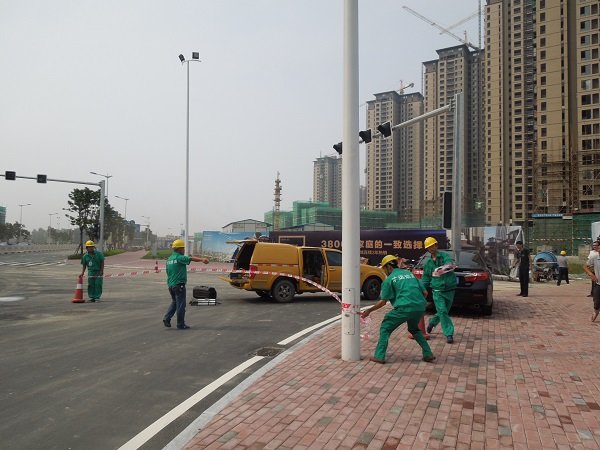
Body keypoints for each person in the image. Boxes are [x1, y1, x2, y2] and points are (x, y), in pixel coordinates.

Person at [361, 255, 435, 364]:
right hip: (420, 307)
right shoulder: (410, 274)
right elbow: (425, 292)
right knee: (414, 329)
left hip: (403, 308)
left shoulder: (389, 280)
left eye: (384, 269)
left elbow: (383, 302)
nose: (384, 272)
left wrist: (368, 311)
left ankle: (379, 356)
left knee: (385, 328)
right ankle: (428, 353)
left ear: (388, 267)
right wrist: (416, 303)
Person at [163, 239, 209, 329]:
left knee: (175, 302)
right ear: (180, 249)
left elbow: (167, 272)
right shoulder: (179, 257)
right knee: (181, 305)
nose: (184, 250)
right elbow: (190, 258)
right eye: (183, 248)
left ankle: (167, 318)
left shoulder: (169, 259)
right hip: (179, 285)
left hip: (171, 285)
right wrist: (202, 259)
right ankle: (180, 324)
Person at [421, 237, 457, 344]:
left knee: (443, 311)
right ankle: (449, 333)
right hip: (437, 291)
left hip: (450, 289)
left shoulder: (445, 256)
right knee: (443, 311)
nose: (431, 248)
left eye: (432, 246)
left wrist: (442, 269)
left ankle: (432, 322)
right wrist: (421, 289)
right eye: (428, 247)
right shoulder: (428, 264)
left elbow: (449, 264)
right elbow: (426, 279)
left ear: (436, 245)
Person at [583, 250, 600, 322]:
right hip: (598, 283)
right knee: (596, 301)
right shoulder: (595, 257)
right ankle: (596, 311)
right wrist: (591, 274)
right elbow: (585, 267)